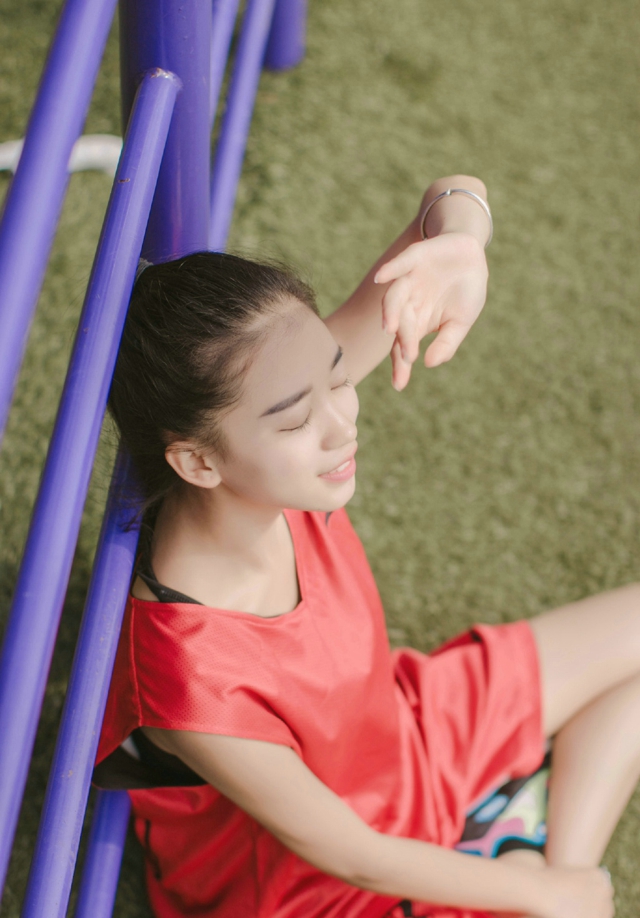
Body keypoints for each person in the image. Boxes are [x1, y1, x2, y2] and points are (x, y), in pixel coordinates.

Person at [94, 175, 640, 918]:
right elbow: (352, 855)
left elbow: (449, 194)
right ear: (197, 461)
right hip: (316, 885)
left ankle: (562, 870)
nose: (341, 425)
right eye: (297, 420)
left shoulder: (273, 435)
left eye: (337, 377)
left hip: (404, 732)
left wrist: (464, 242)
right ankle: (540, 874)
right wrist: (533, 895)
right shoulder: (185, 667)